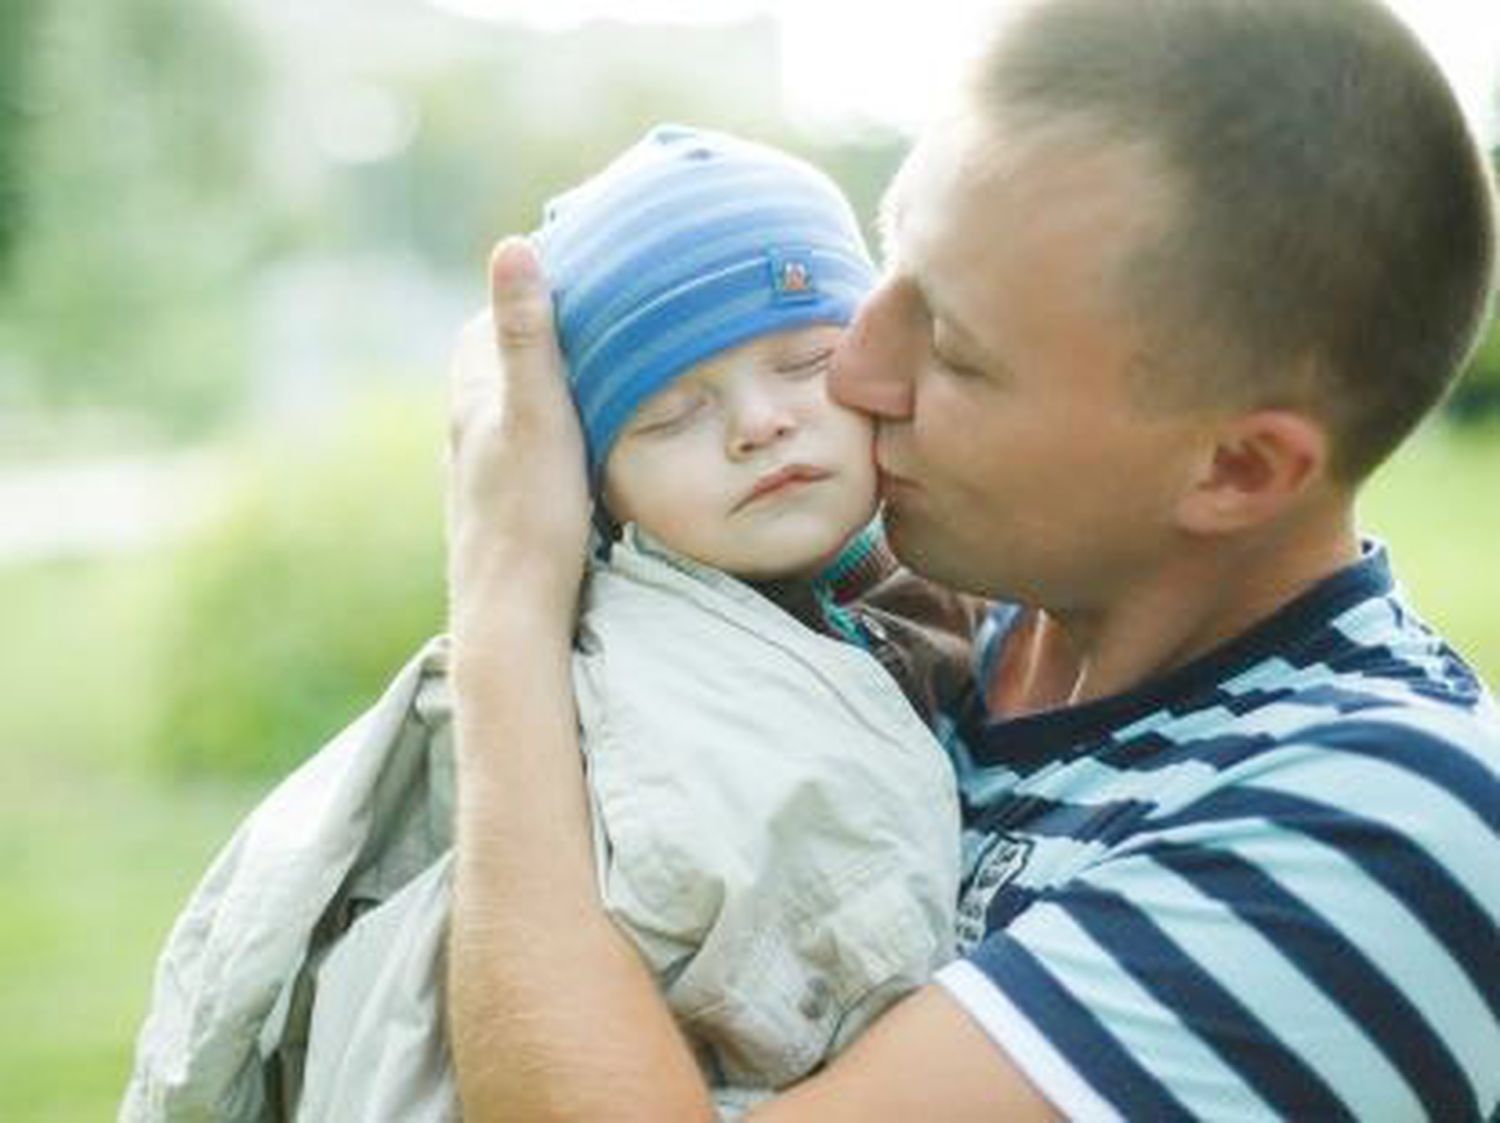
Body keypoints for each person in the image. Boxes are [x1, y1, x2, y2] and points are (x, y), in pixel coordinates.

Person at [443, 0, 1500, 1119]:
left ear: (1237, 469)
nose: (854, 370)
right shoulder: (915, 640)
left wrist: (509, 600)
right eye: (891, 264)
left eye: (951, 346)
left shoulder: (1381, 827)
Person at [122, 126, 986, 1121]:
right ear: (590, 484)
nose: (760, 421)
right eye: (671, 414)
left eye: (807, 361)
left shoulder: (962, 573)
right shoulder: (630, 693)